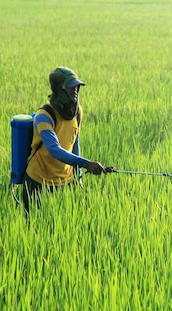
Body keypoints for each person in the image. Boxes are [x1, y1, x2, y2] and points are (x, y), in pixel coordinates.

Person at [22, 66, 111, 215]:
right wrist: (86, 163)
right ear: (60, 90)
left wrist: (78, 176)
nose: (75, 91)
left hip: (65, 181)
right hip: (38, 181)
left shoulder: (77, 112)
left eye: (76, 87)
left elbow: (75, 142)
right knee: (33, 229)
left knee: (62, 227)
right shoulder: (44, 116)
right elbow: (54, 150)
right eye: (71, 87)